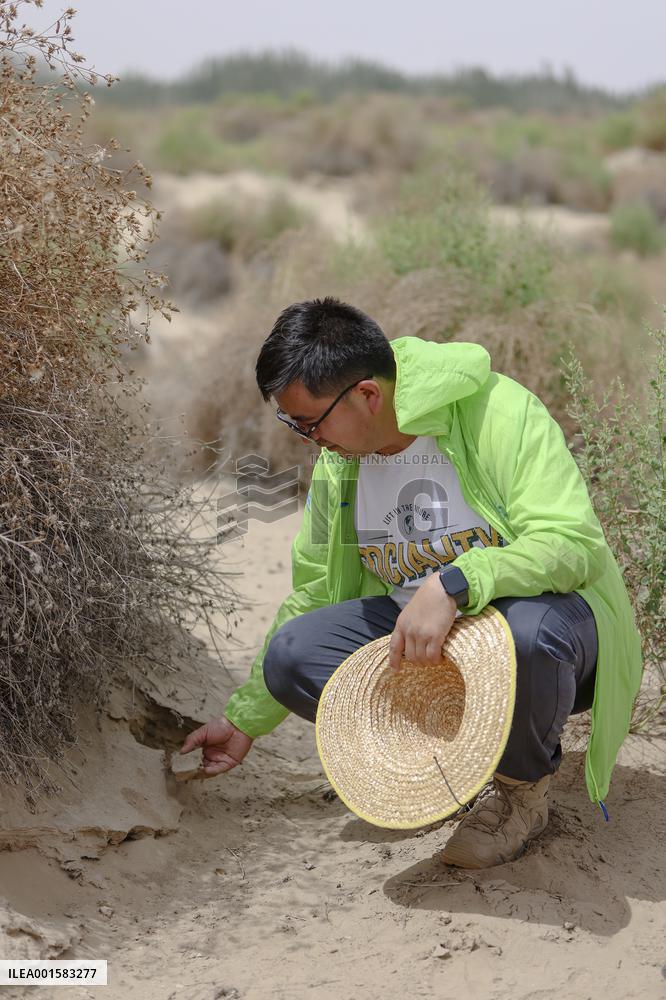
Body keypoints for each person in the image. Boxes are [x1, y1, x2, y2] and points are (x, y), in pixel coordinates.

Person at [180, 297, 643, 869]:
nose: (305, 439)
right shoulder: (341, 458)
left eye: (308, 422)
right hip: (427, 651)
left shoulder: (498, 410)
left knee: (527, 638)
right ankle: (448, 770)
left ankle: (521, 794)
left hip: (542, 626)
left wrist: (453, 583)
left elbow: (571, 545)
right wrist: (245, 718)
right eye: (290, 423)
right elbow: (314, 592)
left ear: (368, 395)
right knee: (292, 656)